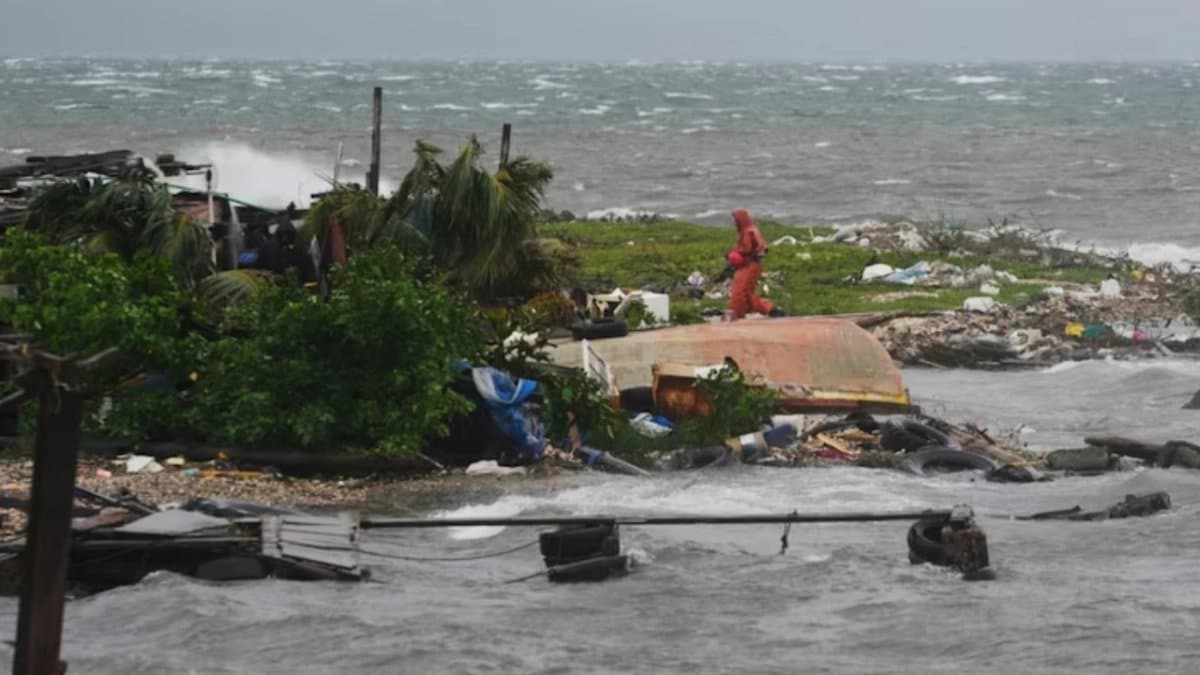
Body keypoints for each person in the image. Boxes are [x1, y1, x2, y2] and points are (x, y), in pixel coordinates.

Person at [727, 209, 784, 319]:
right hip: (754, 265)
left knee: (739, 291)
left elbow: (746, 250)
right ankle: (771, 309)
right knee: (748, 293)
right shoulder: (752, 229)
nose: (735, 223)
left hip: (749, 265)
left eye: (736, 220)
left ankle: (738, 315)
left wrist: (732, 255)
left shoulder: (748, 232)